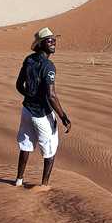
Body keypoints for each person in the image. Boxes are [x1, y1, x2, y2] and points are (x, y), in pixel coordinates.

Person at [14, 26, 71, 191]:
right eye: (49, 40)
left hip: (26, 110)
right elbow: (51, 95)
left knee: (25, 145)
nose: (53, 43)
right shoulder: (49, 66)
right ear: (41, 44)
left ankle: (18, 180)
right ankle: (44, 186)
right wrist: (63, 117)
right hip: (41, 114)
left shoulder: (29, 60)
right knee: (50, 151)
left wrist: (30, 97)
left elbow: (19, 85)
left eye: (54, 40)